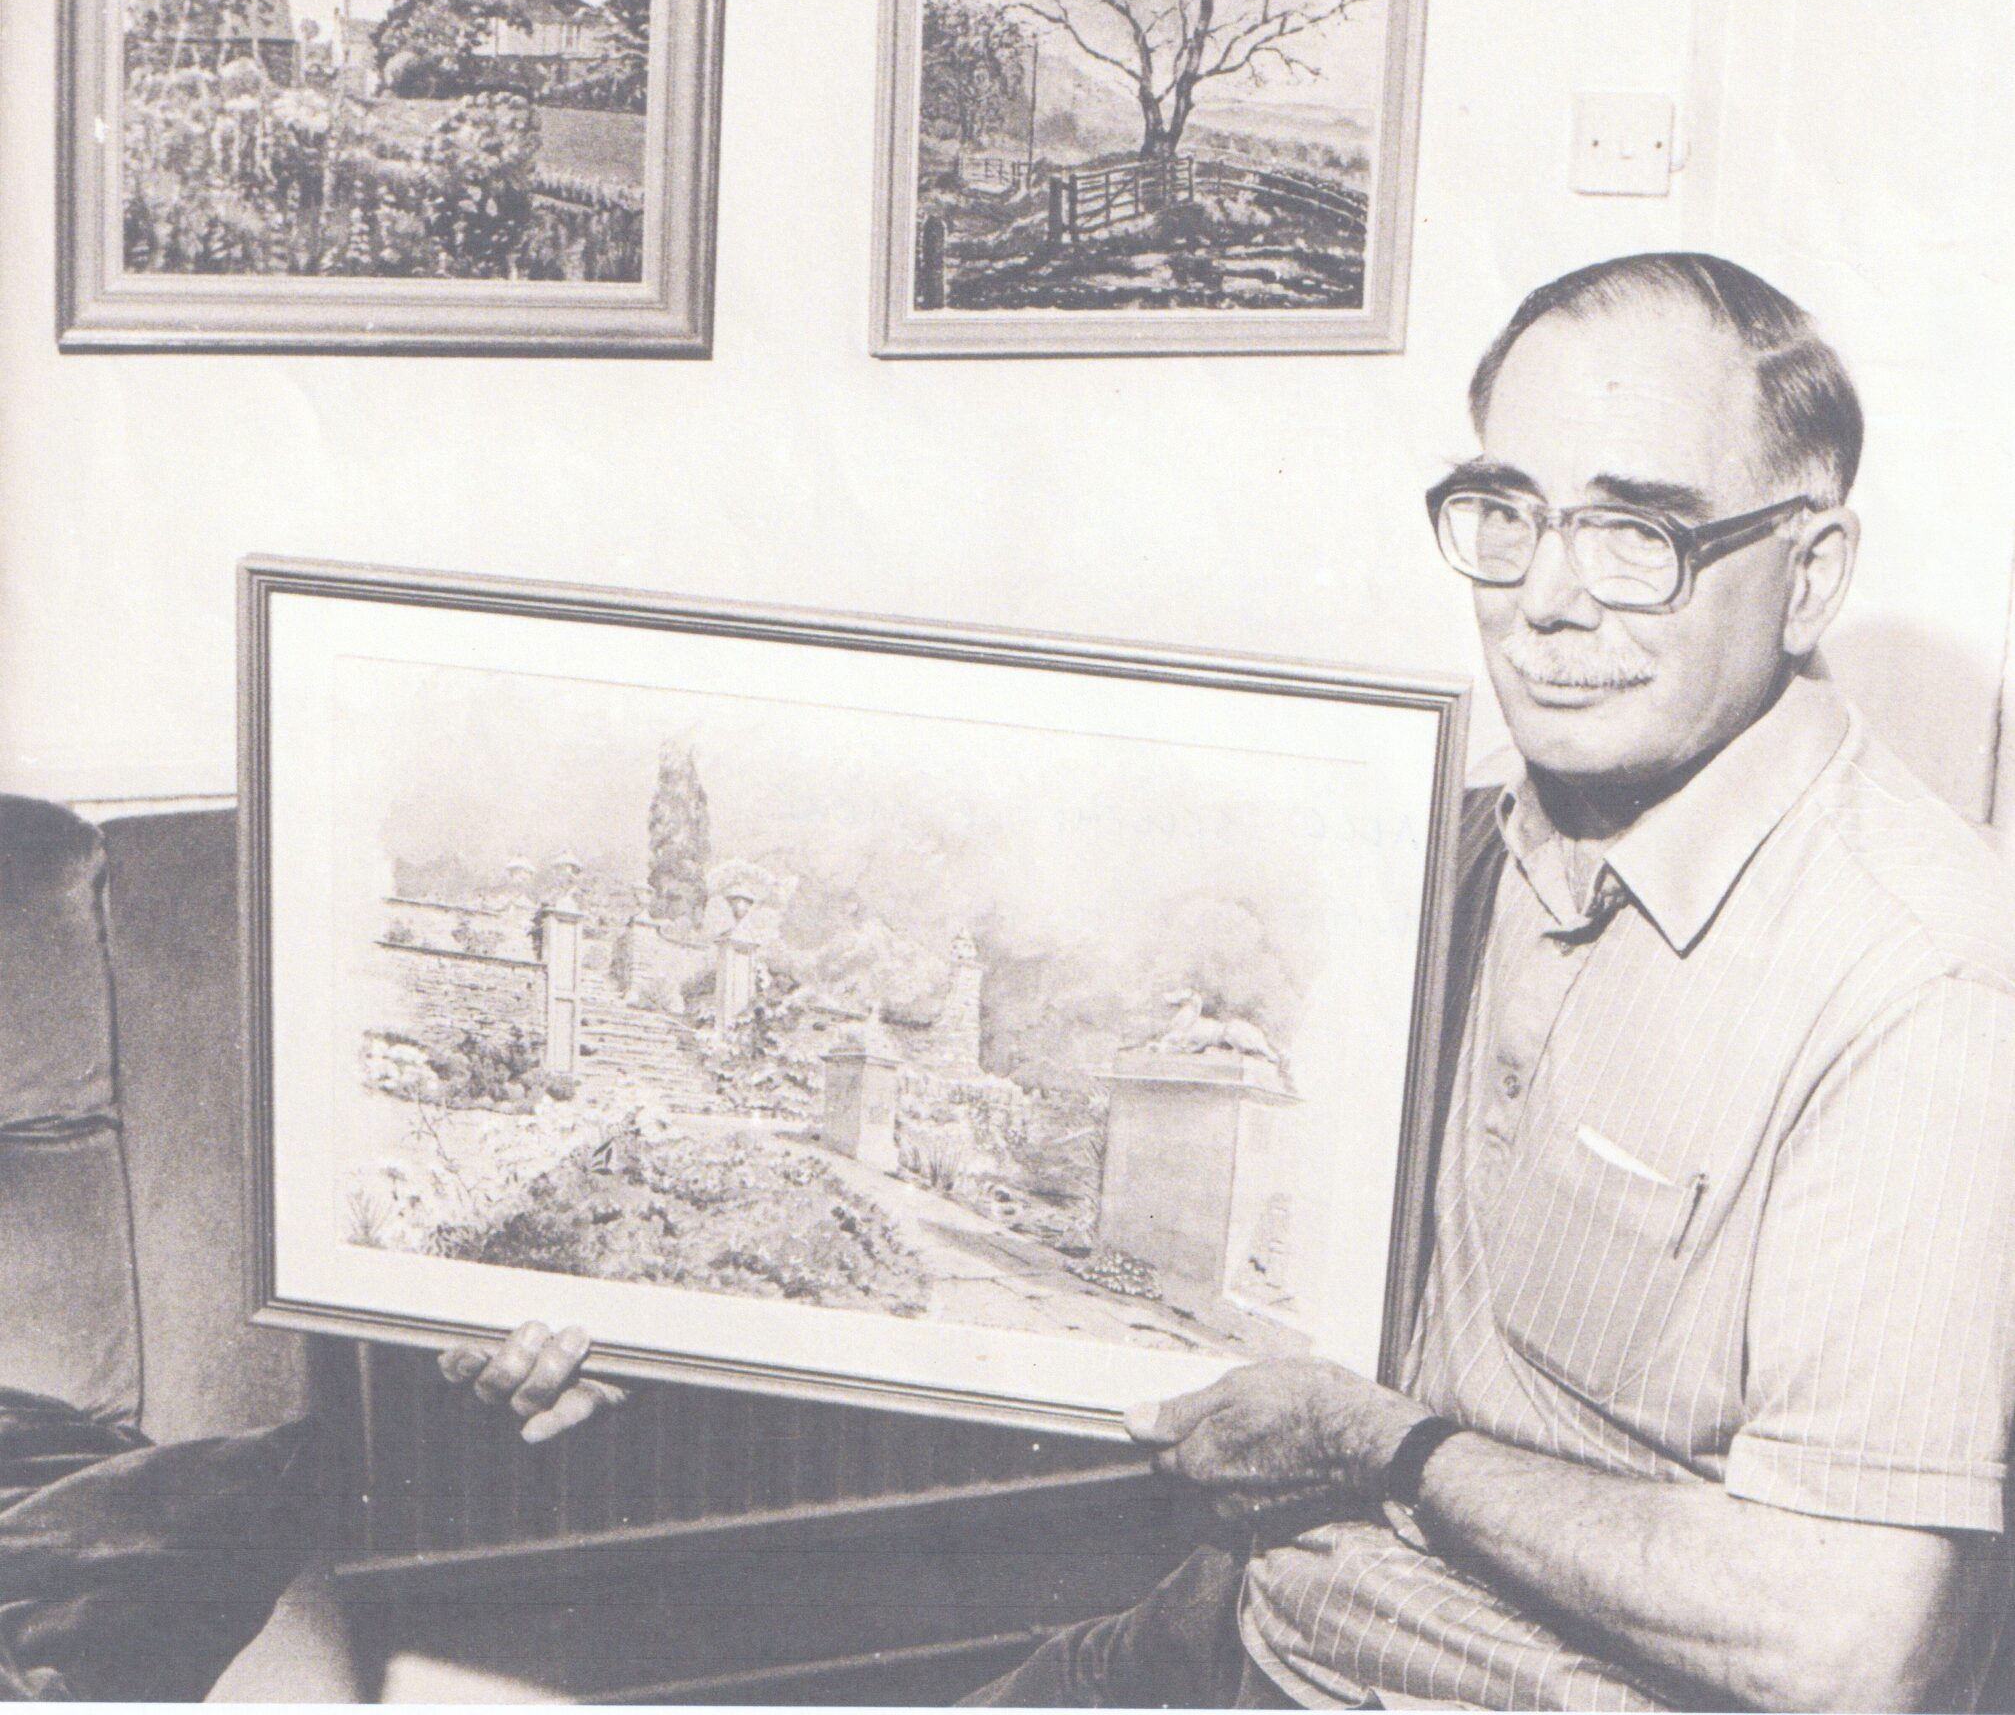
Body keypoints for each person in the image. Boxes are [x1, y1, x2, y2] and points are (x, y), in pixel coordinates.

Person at [448, 255, 2015, 1712]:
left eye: (1637, 533)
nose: (1545, 597)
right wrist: (658, 1325)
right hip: (1252, 1618)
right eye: (1507, 512)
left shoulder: (1926, 989)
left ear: (1809, 575)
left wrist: (1393, 1452)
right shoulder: (1463, 842)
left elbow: (1852, 1639)